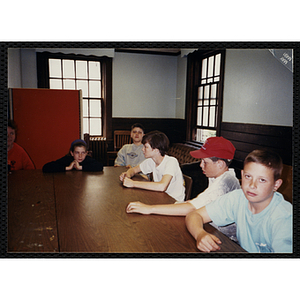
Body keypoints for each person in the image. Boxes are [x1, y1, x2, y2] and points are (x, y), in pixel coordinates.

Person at [126, 136, 241, 240]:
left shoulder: (225, 182)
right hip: (209, 228)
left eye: (205, 162)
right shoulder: (218, 175)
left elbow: (191, 209)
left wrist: (149, 209)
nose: (201, 165)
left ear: (220, 164)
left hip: (224, 239)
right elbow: (206, 202)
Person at [185, 149, 292, 253]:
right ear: (242, 175)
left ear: (276, 185)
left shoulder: (284, 217)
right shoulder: (237, 198)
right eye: (248, 176)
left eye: (262, 180)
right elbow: (194, 215)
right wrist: (200, 234)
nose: (252, 185)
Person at [120, 130, 185, 202]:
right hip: (160, 197)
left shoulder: (171, 162)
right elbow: (134, 170)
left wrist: (133, 183)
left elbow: (162, 186)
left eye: (145, 147)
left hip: (174, 202)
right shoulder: (151, 161)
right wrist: (127, 176)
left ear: (156, 150)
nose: (142, 149)